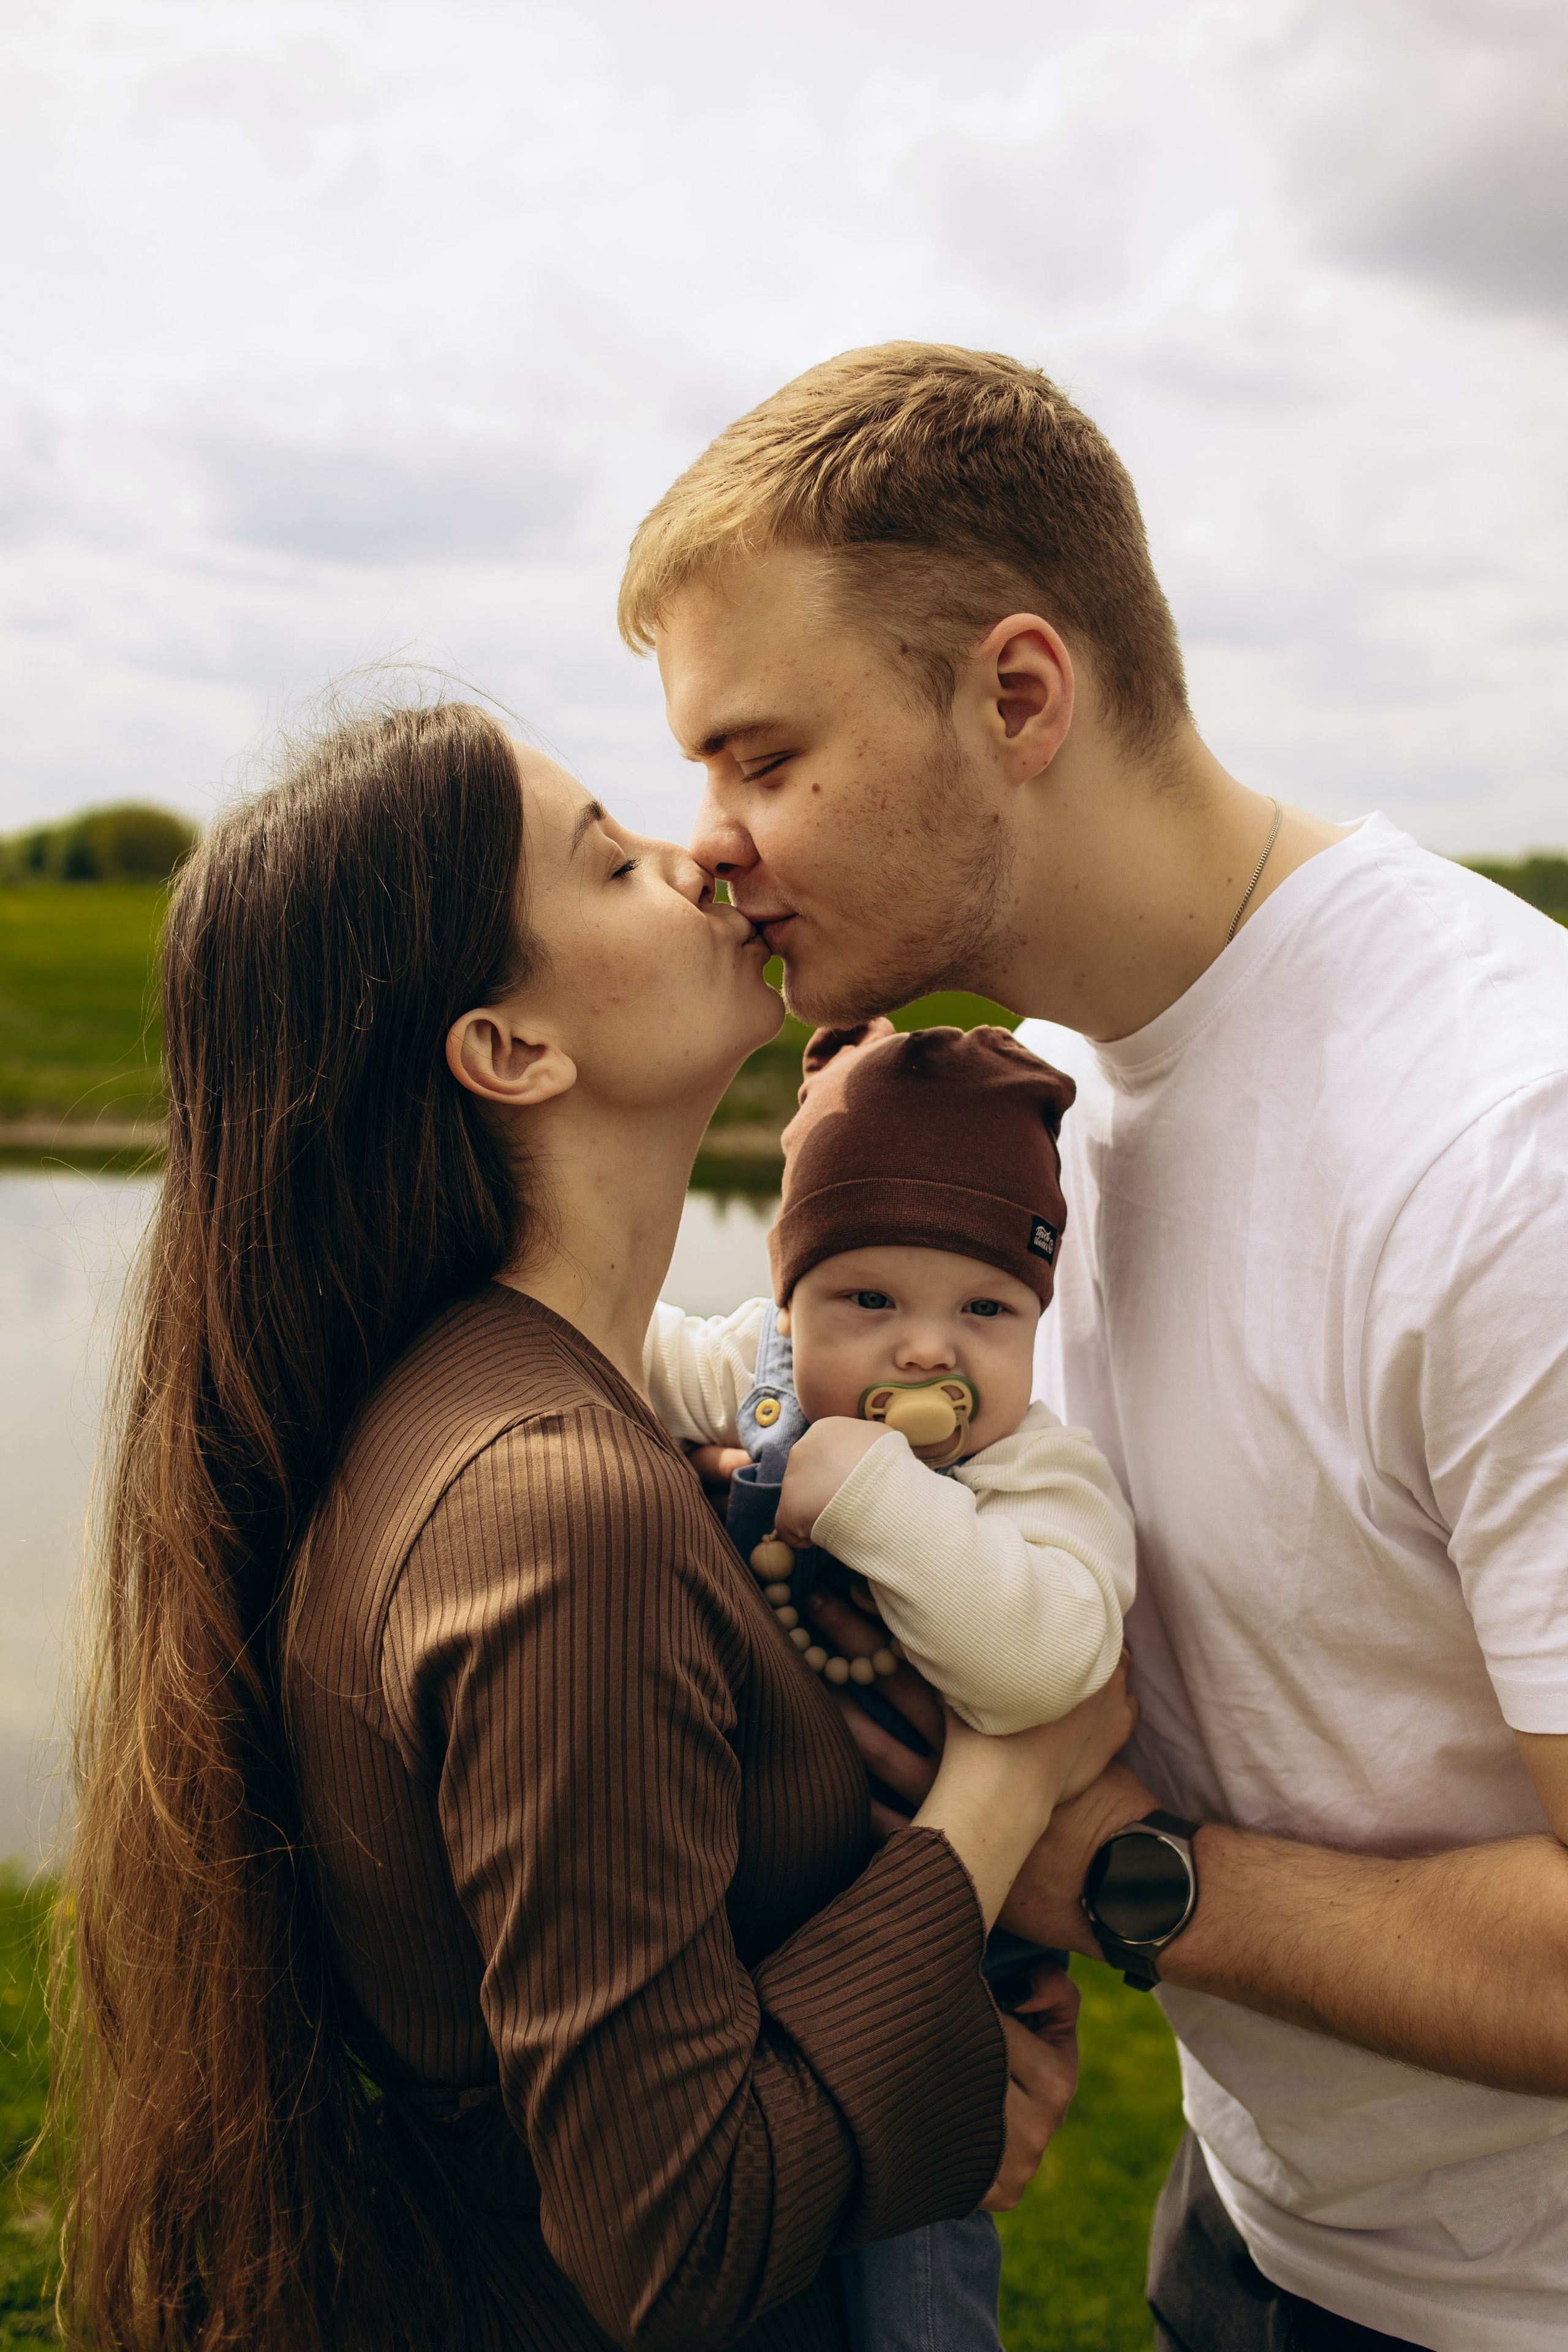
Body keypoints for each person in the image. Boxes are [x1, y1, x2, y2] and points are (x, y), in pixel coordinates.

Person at [620, 341, 1568, 2352]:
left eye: (764, 759)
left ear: (1018, 696)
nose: (711, 844)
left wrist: (1132, 1887)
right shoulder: (1031, 1111)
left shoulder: (1511, 1147)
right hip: (1243, 2236)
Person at [61, 695, 1133, 2352]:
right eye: (615, 863)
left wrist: (941, 2051)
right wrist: (1006, 1790)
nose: (703, 849)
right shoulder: (560, 1509)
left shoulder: (504, 1394)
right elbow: (677, 2240)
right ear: (509, 1048)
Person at [647, 1014, 1137, 2352]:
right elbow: (599, 1349)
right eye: (867, 1301)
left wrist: (870, 1497)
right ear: (788, 1300)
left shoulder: (1035, 1474)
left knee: (914, 2263)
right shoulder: (758, 1384)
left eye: (984, 1310)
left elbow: (1042, 1667)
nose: (926, 1352)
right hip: (747, 1927)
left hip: (943, 1972)